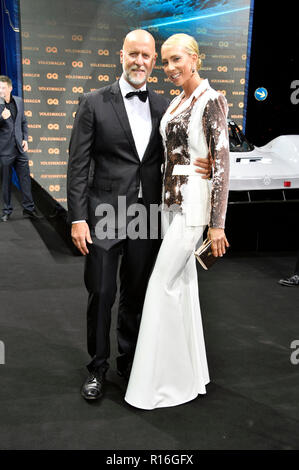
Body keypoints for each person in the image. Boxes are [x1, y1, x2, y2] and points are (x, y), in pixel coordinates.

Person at [67, 30, 211, 402]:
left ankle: (129, 364)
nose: (141, 62)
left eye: (148, 56)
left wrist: (206, 165)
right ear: (121, 56)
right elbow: (78, 165)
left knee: (136, 293)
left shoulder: (166, 105)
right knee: (101, 293)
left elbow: (183, 152)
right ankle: (96, 368)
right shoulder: (94, 102)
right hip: (103, 214)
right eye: (134, 54)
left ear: (153, 62)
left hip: (148, 216)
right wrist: (77, 218)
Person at [125, 33, 230, 410]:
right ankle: (190, 376)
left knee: (160, 285)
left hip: (192, 209)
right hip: (169, 206)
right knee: (183, 290)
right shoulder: (176, 102)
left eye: (176, 60)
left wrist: (216, 225)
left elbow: (221, 167)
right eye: (165, 61)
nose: (169, 68)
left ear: (195, 58)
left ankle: (159, 385)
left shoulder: (211, 99)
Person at [0, 75, 38, 222]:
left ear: (10, 88)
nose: (0, 91)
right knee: (6, 182)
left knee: (25, 180)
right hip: (5, 150)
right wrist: (2, 117)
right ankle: (7, 210)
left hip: (20, 149)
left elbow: (23, 122)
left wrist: (25, 139)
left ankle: (29, 209)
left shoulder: (19, 101)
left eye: (3, 88)